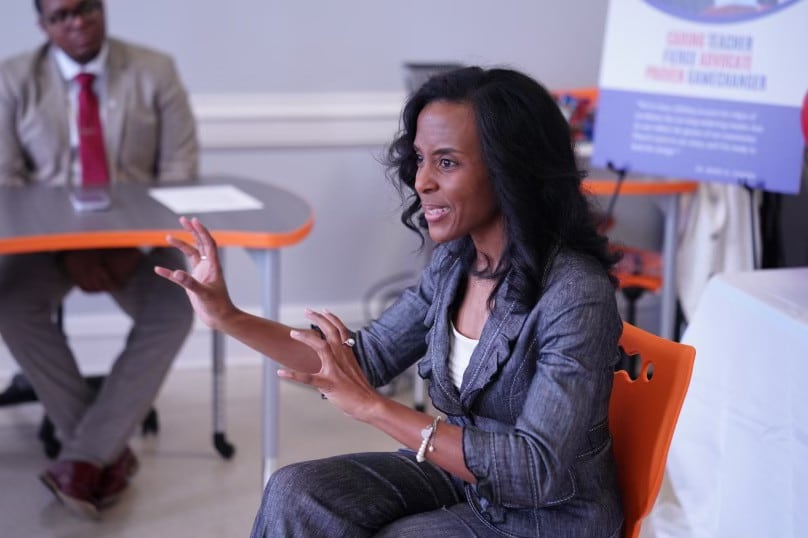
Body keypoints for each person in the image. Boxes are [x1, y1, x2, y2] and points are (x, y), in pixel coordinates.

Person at [157, 66, 624, 537]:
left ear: (510, 169)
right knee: (294, 491)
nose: (421, 181)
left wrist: (374, 409)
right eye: (420, 159)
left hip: (549, 516)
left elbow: (534, 469)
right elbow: (362, 360)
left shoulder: (575, 293)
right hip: (466, 479)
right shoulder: (455, 264)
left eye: (446, 162)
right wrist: (227, 316)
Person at [0, 0, 197, 518]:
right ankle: (100, 454)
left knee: (177, 305)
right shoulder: (13, 78)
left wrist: (126, 243)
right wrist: (70, 252)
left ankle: (83, 457)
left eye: (86, 8)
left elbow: (179, 172)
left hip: (134, 243)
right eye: (62, 15)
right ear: (43, 25)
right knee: (11, 303)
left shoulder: (154, 70)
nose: (78, 22)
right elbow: (7, 183)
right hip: (47, 246)